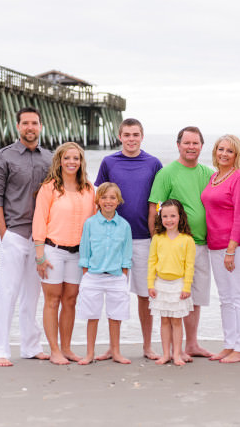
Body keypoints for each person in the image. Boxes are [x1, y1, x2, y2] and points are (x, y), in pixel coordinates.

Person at [0, 107, 54, 366]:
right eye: (25, 123)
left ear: (40, 126)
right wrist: (4, 233)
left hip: (39, 238)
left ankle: (30, 346)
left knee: (32, 294)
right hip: (14, 233)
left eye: (34, 123)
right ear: (18, 127)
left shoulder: (49, 158)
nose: (30, 127)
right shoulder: (4, 157)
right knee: (8, 292)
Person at [94, 117, 162, 359]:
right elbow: (100, 200)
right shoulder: (109, 162)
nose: (131, 139)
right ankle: (114, 347)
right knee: (115, 293)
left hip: (144, 238)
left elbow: (160, 202)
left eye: (136, 135)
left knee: (145, 294)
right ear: (119, 137)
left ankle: (147, 346)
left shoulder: (153, 163)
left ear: (142, 136)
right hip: (114, 239)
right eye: (127, 135)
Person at [148, 126, 213, 359]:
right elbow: (154, 208)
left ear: (201, 146)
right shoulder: (167, 173)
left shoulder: (208, 173)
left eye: (195, 143)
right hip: (173, 246)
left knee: (194, 296)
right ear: (178, 145)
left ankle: (192, 344)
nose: (191, 147)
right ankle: (175, 348)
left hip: (201, 244)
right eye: (187, 143)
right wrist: (158, 241)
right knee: (172, 296)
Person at [31, 141, 96, 364]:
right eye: (67, 158)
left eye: (76, 158)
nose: (71, 162)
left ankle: (67, 348)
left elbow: (93, 223)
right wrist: (40, 254)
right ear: (59, 161)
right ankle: (54, 350)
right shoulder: (49, 188)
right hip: (52, 251)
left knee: (70, 300)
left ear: (81, 162)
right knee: (52, 300)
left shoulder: (88, 188)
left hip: (78, 254)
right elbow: (39, 220)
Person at [200, 134, 240, 364]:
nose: (224, 154)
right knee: (224, 297)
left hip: (236, 245)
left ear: (236, 155)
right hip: (214, 244)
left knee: (238, 295)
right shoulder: (214, 177)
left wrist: (231, 249)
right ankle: (229, 344)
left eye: (229, 151)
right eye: (221, 149)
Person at [78, 182, 133, 365]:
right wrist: (86, 272)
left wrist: (124, 274)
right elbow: (85, 250)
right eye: (104, 197)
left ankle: (115, 351)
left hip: (116, 276)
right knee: (92, 316)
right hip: (93, 276)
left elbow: (126, 252)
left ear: (118, 201)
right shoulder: (90, 224)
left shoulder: (124, 226)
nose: (108, 201)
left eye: (112, 197)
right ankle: (89, 353)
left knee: (115, 316)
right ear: (98, 200)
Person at [147, 199, 195, 366]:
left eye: (173, 216)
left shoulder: (187, 240)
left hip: (178, 285)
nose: (169, 220)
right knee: (164, 320)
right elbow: (151, 262)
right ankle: (166, 353)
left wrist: (186, 286)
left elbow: (189, 266)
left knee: (176, 320)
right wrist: (150, 285)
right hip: (161, 284)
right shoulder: (157, 239)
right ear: (161, 217)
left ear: (180, 217)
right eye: (165, 216)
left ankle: (176, 354)